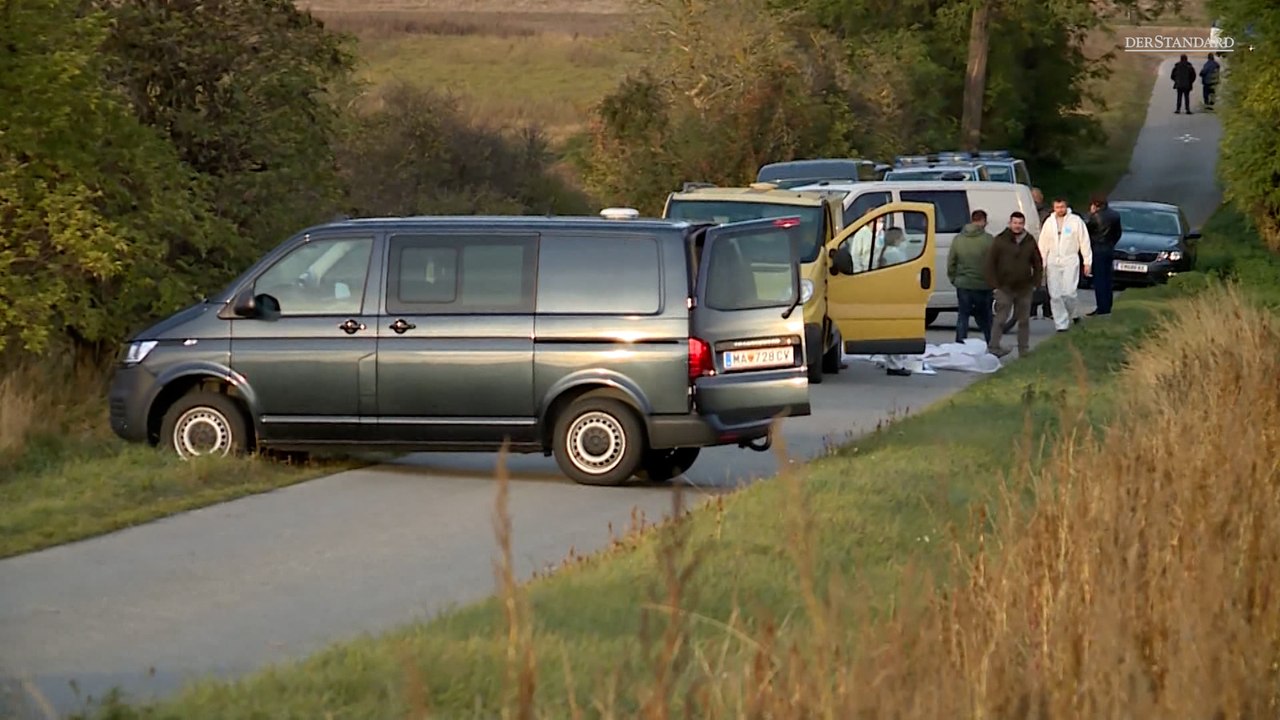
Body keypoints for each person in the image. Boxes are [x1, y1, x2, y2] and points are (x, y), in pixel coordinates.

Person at [984, 211, 1044, 358]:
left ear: (1023, 224)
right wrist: (994, 285)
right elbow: (990, 263)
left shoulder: (1029, 240)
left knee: (1024, 320)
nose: (1017, 226)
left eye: (1020, 223)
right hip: (1004, 287)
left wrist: (1036, 282)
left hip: (1024, 288)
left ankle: (1023, 350)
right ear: (1010, 223)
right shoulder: (1000, 240)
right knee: (1000, 319)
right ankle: (993, 347)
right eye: (1015, 223)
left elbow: (1037, 263)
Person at [1038, 197, 1092, 332]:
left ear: (1066, 206)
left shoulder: (1075, 221)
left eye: (1062, 207)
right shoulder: (1049, 222)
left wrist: (1087, 262)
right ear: (1053, 207)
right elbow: (1043, 244)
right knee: (1055, 295)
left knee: (1069, 293)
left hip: (1070, 259)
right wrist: (1041, 263)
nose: (1059, 210)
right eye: (1057, 207)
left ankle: (1074, 313)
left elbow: (1084, 242)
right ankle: (1061, 325)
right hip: (1053, 261)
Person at [948, 209, 995, 345]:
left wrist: (954, 279)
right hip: (983, 285)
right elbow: (995, 262)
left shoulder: (958, 239)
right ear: (984, 221)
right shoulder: (989, 240)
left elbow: (951, 262)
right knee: (986, 318)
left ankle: (959, 345)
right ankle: (992, 344)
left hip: (963, 284)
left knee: (963, 316)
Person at [1085, 193, 1123, 316]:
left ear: (1095, 205)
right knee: (1108, 279)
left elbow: (1087, 233)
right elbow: (1118, 233)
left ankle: (1102, 307)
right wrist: (1111, 243)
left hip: (1097, 250)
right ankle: (1108, 305)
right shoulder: (1115, 215)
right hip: (1109, 248)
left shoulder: (1095, 218)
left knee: (1099, 280)